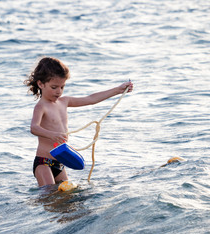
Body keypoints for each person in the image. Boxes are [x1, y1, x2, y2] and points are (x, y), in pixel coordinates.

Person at [24, 57, 133, 187]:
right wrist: (51, 135)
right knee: (49, 195)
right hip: (43, 162)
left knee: (67, 198)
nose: (59, 91)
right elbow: (34, 128)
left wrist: (118, 90)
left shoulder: (64, 102)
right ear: (41, 84)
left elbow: (91, 99)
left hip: (60, 163)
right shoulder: (41, 106)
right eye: (54, 87)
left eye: (62, 87)